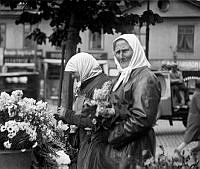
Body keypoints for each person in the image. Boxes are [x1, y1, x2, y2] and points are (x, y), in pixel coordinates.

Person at [106, 34, 161, 168]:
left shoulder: (145, 77)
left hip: (134, 148)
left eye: (125, 51)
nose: (121, 55)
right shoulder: (125, 75)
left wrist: (113, 136)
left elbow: (142, 118)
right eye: (117, 52)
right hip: (123, 147)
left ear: (136, 51)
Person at [54, 52, 113, 169]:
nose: (73, 76)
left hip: (96, 146)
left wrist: (67, 114)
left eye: (74, 72)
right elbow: (80, 114)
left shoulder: (102, 85)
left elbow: (93, 120)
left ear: (83, 67)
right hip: (86, 143)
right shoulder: (85, 85)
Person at [174, 79, 200, 158]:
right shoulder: (198, 94)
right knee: (190, 136)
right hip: (196, 119)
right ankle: (178, 150)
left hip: (196, 118)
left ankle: (195, 151)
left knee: (194, 135)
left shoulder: (197, 93)